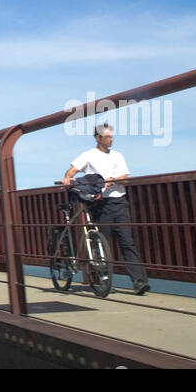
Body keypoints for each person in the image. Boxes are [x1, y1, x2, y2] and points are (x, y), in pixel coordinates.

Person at [63, 123, 150, 295]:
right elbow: (72, 170)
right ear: (98, 138)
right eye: (108, 137)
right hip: (100, 204)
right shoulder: (88, 155)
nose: (111, 139)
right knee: (102, 243)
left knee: (127, 242)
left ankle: (139, 283)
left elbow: (125, 178)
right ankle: (102, 280)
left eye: (112, 136)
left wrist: (111, 180)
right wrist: (67, 178)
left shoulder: (117, 156)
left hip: (119, 202)